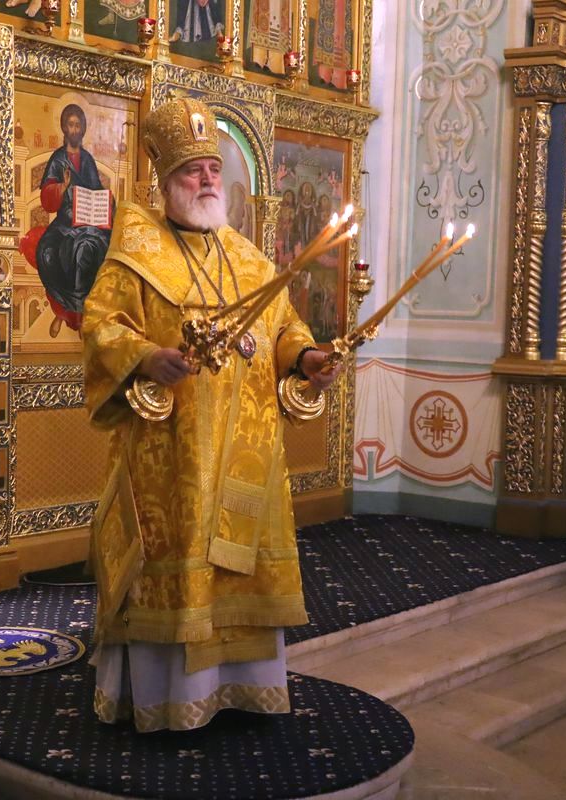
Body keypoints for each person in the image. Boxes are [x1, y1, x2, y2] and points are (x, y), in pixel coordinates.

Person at [82, 97, 338, 733]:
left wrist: (306, 357)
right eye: (193, 171)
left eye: (213, 169)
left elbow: (283, 327)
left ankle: (244, 689)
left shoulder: (249, 258)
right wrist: (147, 358)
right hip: (171, 454)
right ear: (167, 180)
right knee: (178, 563)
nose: (206, 179)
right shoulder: (136, 252)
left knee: (241, 566)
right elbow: (101, 325)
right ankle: (169, 699)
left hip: (247, 449)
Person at [23, 104, 114, 337]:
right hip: (65, 223)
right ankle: (62, 312)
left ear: (83, 129)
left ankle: (82, 316)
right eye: (70, 125)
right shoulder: (58, 159)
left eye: (78, 125)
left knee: (86, 249)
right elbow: (47, 200)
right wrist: (62, 187)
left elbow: (96, 189)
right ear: (64, 127)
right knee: (47, 252)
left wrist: (107, 199)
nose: (74, 129)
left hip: (89, 222)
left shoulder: (88, 160)